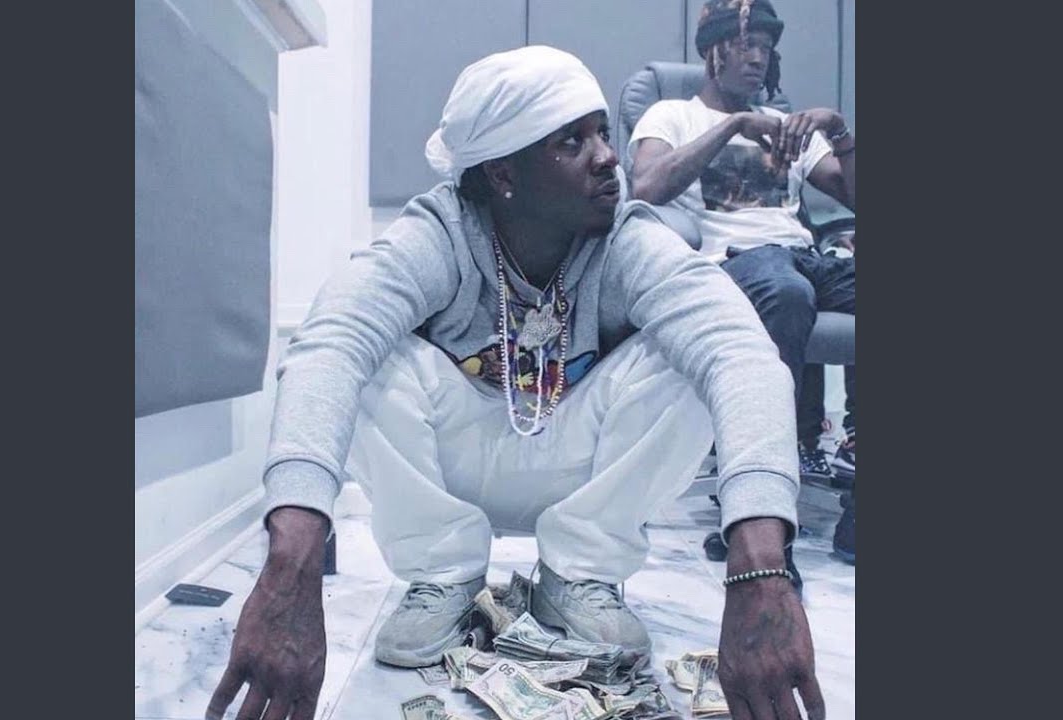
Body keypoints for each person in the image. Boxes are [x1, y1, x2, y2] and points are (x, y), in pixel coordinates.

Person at [206, 45, 824, 720]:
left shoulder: (628, 238)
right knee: (366, 355)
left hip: (581, 468)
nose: (608, 157)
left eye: (602, 133)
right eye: (572, 142)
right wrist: (290, 564)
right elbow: (329, 344)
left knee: (691, 357)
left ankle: (581, 574)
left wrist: (760, 563)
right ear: (503, 173)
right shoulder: (438, 233)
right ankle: (442, 574)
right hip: (458, 464)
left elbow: (741, 354)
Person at [628, 0, 856, 566]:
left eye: (766, 49)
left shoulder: (786, 124)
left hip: (804, 255)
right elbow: (646, 187)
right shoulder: (671, 115)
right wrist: (731, 125)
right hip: (735, 261)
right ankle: (759, 501)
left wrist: (840, 132)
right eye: (747, 45)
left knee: (799, 282)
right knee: (788, 294)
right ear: (713, 51)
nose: (759, 59)